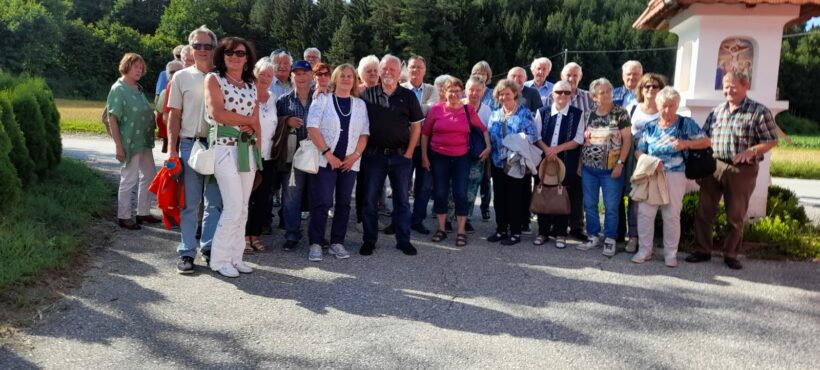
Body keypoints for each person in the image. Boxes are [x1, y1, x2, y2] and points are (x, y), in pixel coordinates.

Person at [686, 72, 778, 270]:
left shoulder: (758, 111)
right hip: (714, 165)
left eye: (733, 86)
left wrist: (752, 150)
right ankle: (702, 250)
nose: (728, 90)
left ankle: (730, 254)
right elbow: (705, 136)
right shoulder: (717, 110)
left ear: (746, 86)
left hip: (741, 169)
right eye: (726, 86)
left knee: (735, 215)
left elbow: (771, 140)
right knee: (704, 211)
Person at [632, 87, 710, 267]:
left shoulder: (685, 124)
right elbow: (638, 151)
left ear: (677, 106)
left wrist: (686, 144)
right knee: (645, 212)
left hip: (676, 174)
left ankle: (670, 253)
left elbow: (706, 141)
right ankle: (645, 250)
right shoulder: (650, 127)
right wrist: (649, 162)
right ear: (658, 106)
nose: (667, 110)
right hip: (652, 174)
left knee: (672, 214)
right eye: (664, 106)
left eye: (672, 106)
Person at [167, 25, 223, 274]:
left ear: (214, 48)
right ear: (190, 48)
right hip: (190, 143)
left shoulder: (222, 76)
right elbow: (174, 116)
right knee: (190, 202)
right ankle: (187, 252)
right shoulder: (181, 77)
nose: (202, 50)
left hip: (218, 143)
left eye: (207, 46)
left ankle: (209, 248)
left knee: (215, 202)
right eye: (197, 45)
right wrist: (171, 149)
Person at [204, 37, 261, 278]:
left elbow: (256, 121)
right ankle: (219, 259)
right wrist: (247, 121)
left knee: (243, 208)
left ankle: (236, 256)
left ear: (247, 58)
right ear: (222, 55)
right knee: (233, 206)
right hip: (223, 148)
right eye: (229, 52)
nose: (234, 56)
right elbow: (218, 113)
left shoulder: (251, 84)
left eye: (240, 53)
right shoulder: (214, 79)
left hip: (246, 149)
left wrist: (251, 126)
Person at [359, 54, 424, 256]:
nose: (387, 72)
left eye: (392, 70)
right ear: (379, 71)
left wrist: (410, 152)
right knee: (369, 200)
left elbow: (416, 127)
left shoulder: (408, 96)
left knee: (402, 200)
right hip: (373, 156)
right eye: (384, 69)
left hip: (400, 157)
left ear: (398, 73)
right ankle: (369, 240)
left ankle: (403, 240)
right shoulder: (367, 95)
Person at [306, 64, 370, 261]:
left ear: (355, 81)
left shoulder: (359, 104)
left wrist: (354, 156)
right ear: (335, 78)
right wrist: (328, 154)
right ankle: (316, 243)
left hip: (349, 163)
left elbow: (364, 133)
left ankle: (337, 242)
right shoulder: (323, 99)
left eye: (350, 76)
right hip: (326, 161)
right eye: (342, 76)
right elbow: (312, 127)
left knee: (343, 203)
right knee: (322, 201)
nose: (346, 79)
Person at [421, 77, 490, 247]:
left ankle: (460, 231)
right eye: (451, 90)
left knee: (460, 193)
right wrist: (424, 156)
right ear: (444, 92)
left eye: (457, 91)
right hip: (438, 156)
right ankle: (442, 229)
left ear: (462, 92)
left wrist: (488, 146)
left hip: (461, 157)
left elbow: (483, 129)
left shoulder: (468, 110)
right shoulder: (436, 109)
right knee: (440, 193)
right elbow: (425, 134)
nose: (454, 94)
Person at [577, 78, 631, 257]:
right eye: (602, 92)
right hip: (589, 169)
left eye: (609, 91)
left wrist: (620, 164)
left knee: (611, 205)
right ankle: (593, 235)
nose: (607, 95)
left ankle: (610, 239)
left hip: (611, 170)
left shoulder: (620, 113)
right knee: (590, 204)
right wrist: (579, 165)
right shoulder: (588, 115)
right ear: (594, 96)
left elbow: (627, 140)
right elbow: (583, 142)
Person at [107, 52, 160, 230]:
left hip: (143, 140)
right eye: (136, 66)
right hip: (129, 141)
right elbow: (112, 118)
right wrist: (118, 146)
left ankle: (143, 212)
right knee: (129, 178)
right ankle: (124, 216)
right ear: (126, 66)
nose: (139, 70)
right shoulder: (118, 88)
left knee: (150, 175)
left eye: (141, 67)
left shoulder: (137, 88)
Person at [618, 73, 667, 252]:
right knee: (634, 197)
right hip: (633, 156)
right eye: (647, 86)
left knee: (652, 198)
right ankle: (633, 237)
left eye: (655, 86)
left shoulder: (665, 110)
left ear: (661, 90)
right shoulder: (632, 108)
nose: (651, 89)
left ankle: (647, 239)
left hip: (654, 158)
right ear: (641, 89)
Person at [532, 81, 584, 248]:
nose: (562, 95)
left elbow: (578, 139)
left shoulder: (578, 114)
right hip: (544, 160)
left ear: (571, 95)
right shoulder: (542, 112)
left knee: (563, 195)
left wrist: (556, 149)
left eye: (566, 93)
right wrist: (547, 150)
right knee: (544, 193)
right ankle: (543, 232)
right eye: (559, 92)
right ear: (552, 94)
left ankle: (561, 233)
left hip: (567, 160)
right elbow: (536, 135)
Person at [486, 79, 538, 246]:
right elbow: (489, 134)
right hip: (497, 162)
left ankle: (515, 232)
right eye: (500, 94)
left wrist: (515, 140)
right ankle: (501, 229)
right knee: (499, 197)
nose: (504, 97)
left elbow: (533, 136)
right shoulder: (495, 113)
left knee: (515, 198)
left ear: (515, 93)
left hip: (516, 162)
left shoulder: (524, 113)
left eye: (507, 93)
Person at [546, 62, 594, 239]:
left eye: (575, 76)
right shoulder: (550, 97)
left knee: (575, 190)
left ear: (580, 77)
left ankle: (576, 226)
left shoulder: (589, 98)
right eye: (568, 75)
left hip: (580, 150)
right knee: (553, 186)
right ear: (561, 76)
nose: (572, 79)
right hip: (554, 151)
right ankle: (554, 225)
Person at [276, 60, 315, 251]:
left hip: (318, 154)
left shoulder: (322, 97)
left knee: (318, 196)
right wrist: (286, 121)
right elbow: (273, 126)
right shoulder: (283, 101)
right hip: (293, 157)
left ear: (311, 76)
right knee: (291, 197)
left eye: (304, 73)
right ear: (292, 77)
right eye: (297, 74)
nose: (301, 77)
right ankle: (292, 234)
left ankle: (316, 236)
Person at [244, 57, 280, 253]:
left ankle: (255, 235)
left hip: (268, 156)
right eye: (262, 74)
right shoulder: (246, 94)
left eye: (269, 75)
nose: (265, 78)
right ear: (254, 74)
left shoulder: (273, 98)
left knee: (262, 198)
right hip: (248, 154)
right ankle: (242, 236)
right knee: (245, 198)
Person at [401, 55, 439, 235]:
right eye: (412, 67)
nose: (415, 70)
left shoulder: (433, 90)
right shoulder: (400, 89)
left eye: (419, 67)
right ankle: (400, 218)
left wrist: (412, 110)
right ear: (407, 70)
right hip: (404, 145)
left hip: (426, 146)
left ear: (425, 70)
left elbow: (433, 111)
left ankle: (417, 220)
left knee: (424, 186)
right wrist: (421, 110)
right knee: (401, 184)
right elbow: (401, 114)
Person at [155, 60, 183, 153]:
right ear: (167, 75)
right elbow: (162, 115)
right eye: (172, 72)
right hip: (175, 135)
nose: (175, 74)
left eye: (178, 71)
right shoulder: (164, 92)